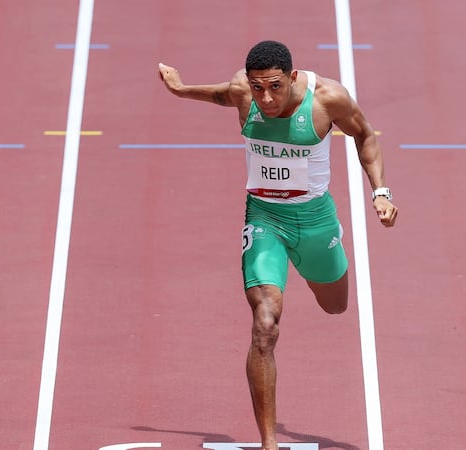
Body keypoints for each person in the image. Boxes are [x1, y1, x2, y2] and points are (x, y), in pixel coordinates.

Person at [158, 40, 398, 450]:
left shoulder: (328, 98)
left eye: (273, 86)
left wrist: (381, 191)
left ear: (291, 77)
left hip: (317, 222)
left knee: (336, 304)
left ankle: (313, 268)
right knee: (265, 323)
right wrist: (182, 89)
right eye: (256, 88)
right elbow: (219, 94)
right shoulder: (242, 92)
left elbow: (365, 136)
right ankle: (269, 443)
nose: (265, 98)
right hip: (265, 219)